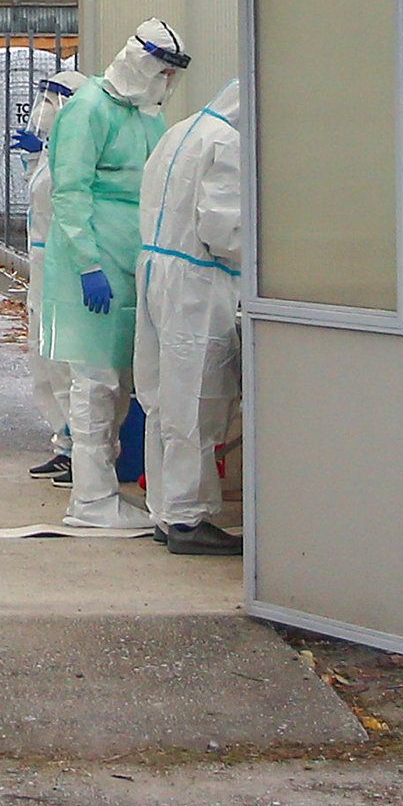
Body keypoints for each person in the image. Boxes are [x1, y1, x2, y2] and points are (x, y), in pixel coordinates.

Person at [42, 18, 187, 533]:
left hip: (133, 262)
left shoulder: (148, 118)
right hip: (95, 263)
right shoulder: (88, 110)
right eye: (162, 71)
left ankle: (106, 489)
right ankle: (90, 497)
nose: (166, 84)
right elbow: (70, 191)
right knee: (94, 381)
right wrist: (88, 262)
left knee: (123, 384)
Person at [137, 77, 246, 554]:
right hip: (197, 285)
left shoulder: (181, 130)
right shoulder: (229, 143)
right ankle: (187, 518)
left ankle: (165, 510)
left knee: (164, 400)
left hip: (157, 273)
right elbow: (225, 230)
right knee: (198, 402)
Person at [13, 67, 79, 481]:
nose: (43, 110)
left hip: (64, 269)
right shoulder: (51, 153)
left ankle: (83, 451)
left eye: (51, 102)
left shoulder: (74, 153)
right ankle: (64, 441)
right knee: (44, 358)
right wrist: (36, 155)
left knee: (68, 362)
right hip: (41, 268)